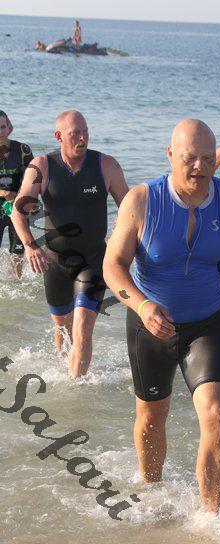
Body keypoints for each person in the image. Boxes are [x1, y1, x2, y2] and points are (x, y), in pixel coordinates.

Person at [103, 119, 220, 513]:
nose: (200, 167)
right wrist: (142, 305)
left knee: (217, 414)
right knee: (151, 419)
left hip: (208, 323)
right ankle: (152, 494)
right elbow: (112, 265)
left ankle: (210, 517)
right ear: (170, 155)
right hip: (150, 325)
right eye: (189, 158)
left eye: (207, 159)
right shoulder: (142, 200)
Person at [12, 110, 129, 378]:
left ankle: (77, 388)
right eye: (75, 133)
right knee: (63, 328)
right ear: (59, 136)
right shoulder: (42, 166)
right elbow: (18, 211)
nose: (82, 138)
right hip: (55, 262)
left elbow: (130, 208)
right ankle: (67, 376)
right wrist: (30, 245)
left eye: (85, 132)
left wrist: (121, 240)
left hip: (93, 260)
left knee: (83, 324)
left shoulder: (106, 165)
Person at [0, 110, 33, 279]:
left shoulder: (22, 150)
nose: (0, 132)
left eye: (2, 127)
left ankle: (16, 284)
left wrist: (21, 195)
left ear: (9, 127)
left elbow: (34, 178)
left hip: (18, 207)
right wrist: (3, 192)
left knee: (18, 254)